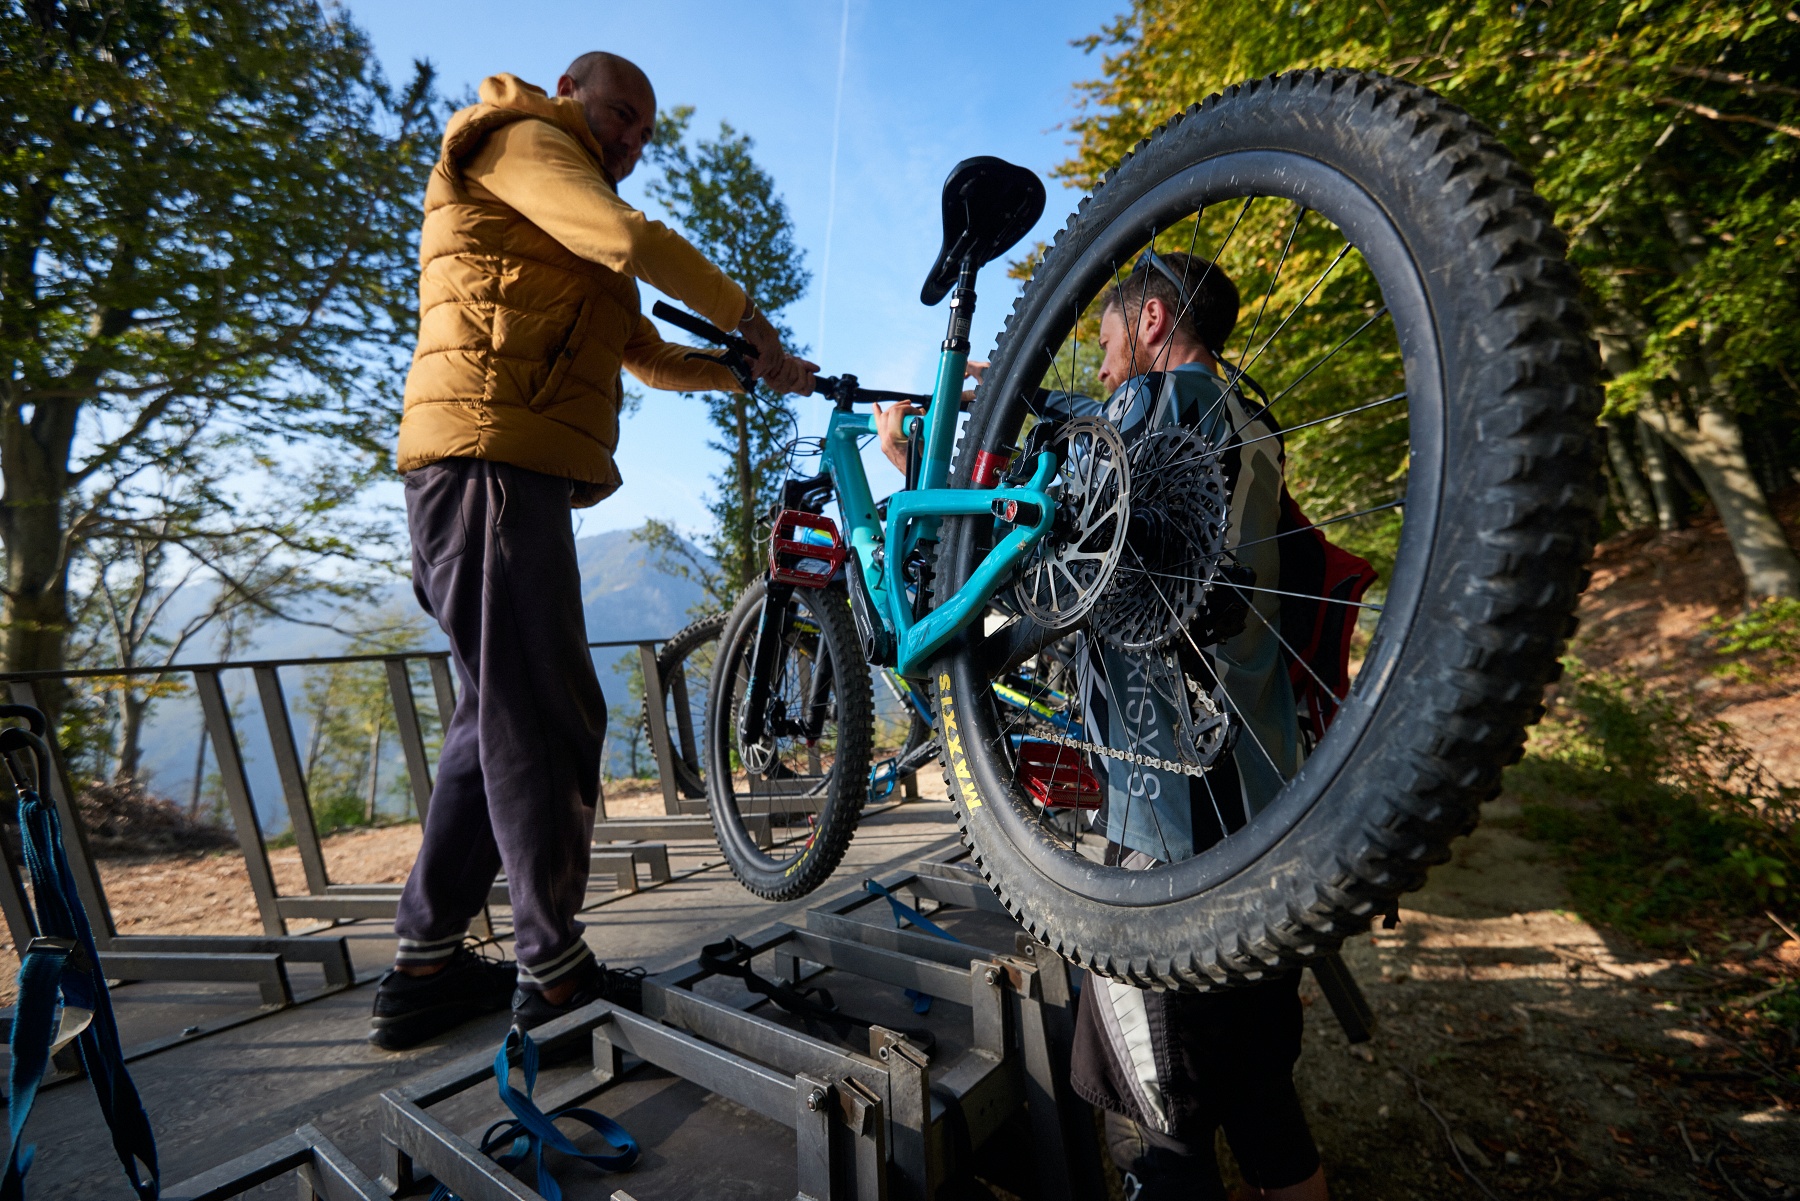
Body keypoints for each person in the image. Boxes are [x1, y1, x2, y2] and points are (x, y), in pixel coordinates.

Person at [370, 52, 815, 1051]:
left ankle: (424, 966)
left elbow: (643, 356)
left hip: (496, 472)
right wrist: (754, 321)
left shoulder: (564, 217)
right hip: (487, 460)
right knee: (549, 713)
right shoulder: (527, 143)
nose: (631, 142)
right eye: (620, 116)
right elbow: (631, 238)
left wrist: (747, 372)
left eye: (644, 134)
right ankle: (555, 973)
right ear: (571, 94)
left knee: (494, 718)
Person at [878, 253, 1328, 1200]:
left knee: (1160, 1127)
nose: (1107, 358)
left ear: (1153, 318)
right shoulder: (1251, 422)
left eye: (1110, 336)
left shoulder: (1153, 406)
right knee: (1262, 1099)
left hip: (1167, 830)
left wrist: (917, 472)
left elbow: (1032, 551)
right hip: (1264, 803)